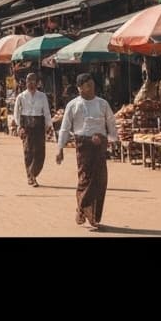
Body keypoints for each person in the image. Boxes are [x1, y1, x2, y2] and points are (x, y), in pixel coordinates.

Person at [56, 73, 117, 231]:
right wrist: (60, 148)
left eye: (92, 85)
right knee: (85, 179)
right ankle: (83, 208)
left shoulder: (102, 104)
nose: (91, 88)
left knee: (101, 180)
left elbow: (111, 123)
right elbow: (65, 128)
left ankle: (93, 215)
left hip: (100, 145)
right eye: (87, 86)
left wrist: (112, 140)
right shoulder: (73, 105)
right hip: (83, 145)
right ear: (79, 88)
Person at [13, 72, 52, 187]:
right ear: (26, 83)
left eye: (33, 81)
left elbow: (46, 112)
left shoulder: (42, 96)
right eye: (28, 81)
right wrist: (19, 126)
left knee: (40, 152)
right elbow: (16, 113)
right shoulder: (21, 97)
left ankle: (33, 173)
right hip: (26, 126)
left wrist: (48, 125)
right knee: (28, 151)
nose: (30, 83)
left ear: (37, 83)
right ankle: (31, 176)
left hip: (39, 126)